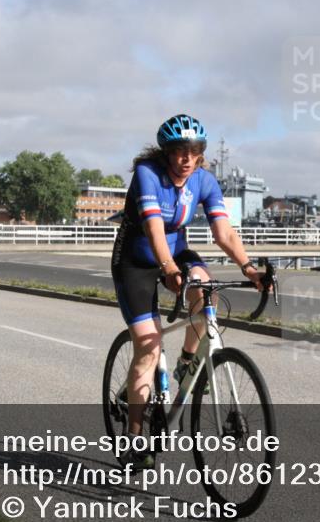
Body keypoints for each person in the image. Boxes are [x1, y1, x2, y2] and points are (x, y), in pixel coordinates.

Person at [111, 114, 267, 468]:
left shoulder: (204, 181)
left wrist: (249, 268)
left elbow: (224, 234)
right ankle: (134, 437)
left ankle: (185, 364)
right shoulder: (148, 174)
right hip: (136, 261)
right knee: (148, 348)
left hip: (176, 253)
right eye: (180, 150)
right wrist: (167, 269)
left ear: (201, 154)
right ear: (167, 152)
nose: (186, 158)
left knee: (206, 287)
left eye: (194, 151)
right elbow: (153, 228)